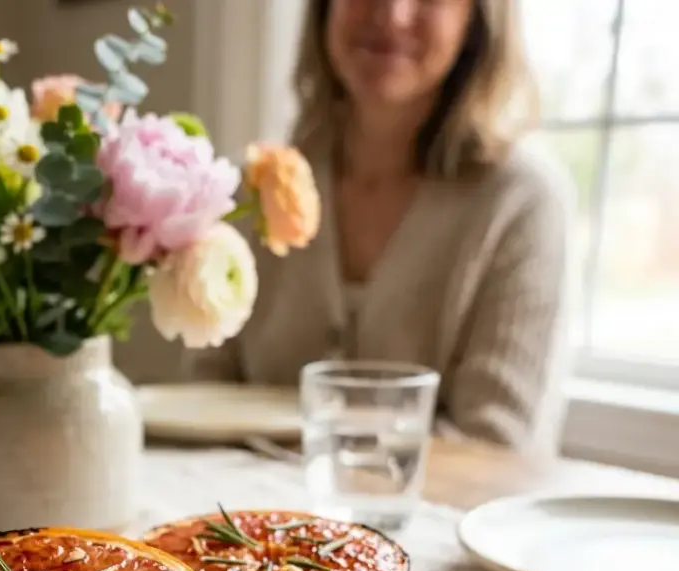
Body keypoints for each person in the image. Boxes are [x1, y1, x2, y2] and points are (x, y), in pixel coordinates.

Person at [193, 0, 575, 453]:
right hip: (242, 519)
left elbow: (496, 448)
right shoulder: (252, 189)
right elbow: (202, 403)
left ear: (476, 21)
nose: (392, 14)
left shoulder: (522, 203)